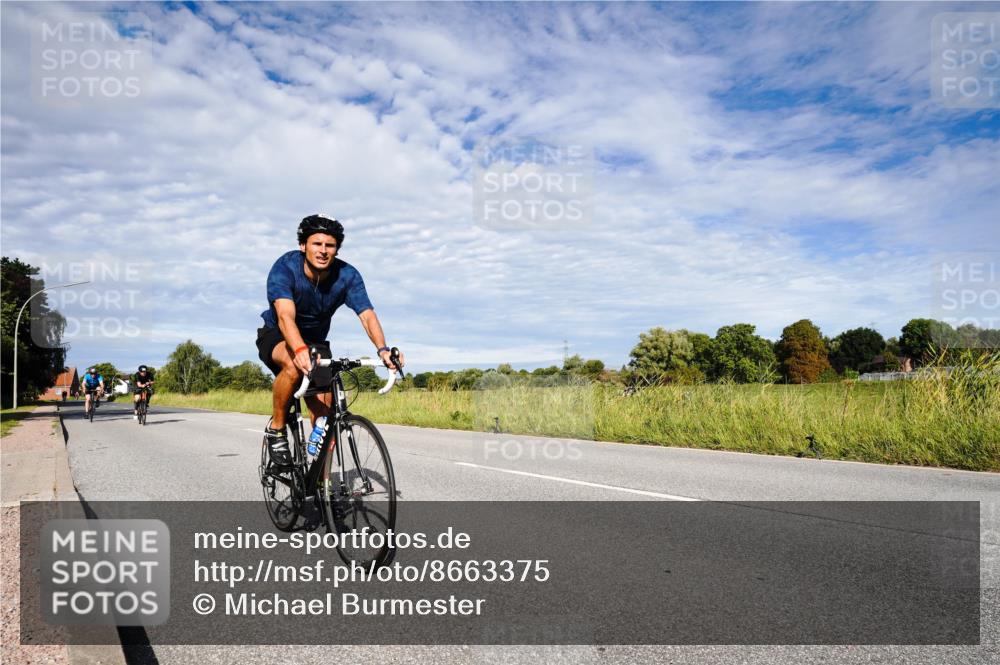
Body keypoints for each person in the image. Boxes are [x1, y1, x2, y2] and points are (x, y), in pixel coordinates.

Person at [256, 214, 404, 466]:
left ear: (336, 249)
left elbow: (367, 315)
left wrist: (383, 350)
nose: (323, 251)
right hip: (278, 334)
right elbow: (285, 315)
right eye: (317, 244)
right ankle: (277, 430)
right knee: (293, 364)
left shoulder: (347, 276)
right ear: (303, 245)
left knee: (324, 419)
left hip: (316, 342)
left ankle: (320, 484)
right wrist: (299, 348)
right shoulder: (285, 267)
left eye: (330, 245)